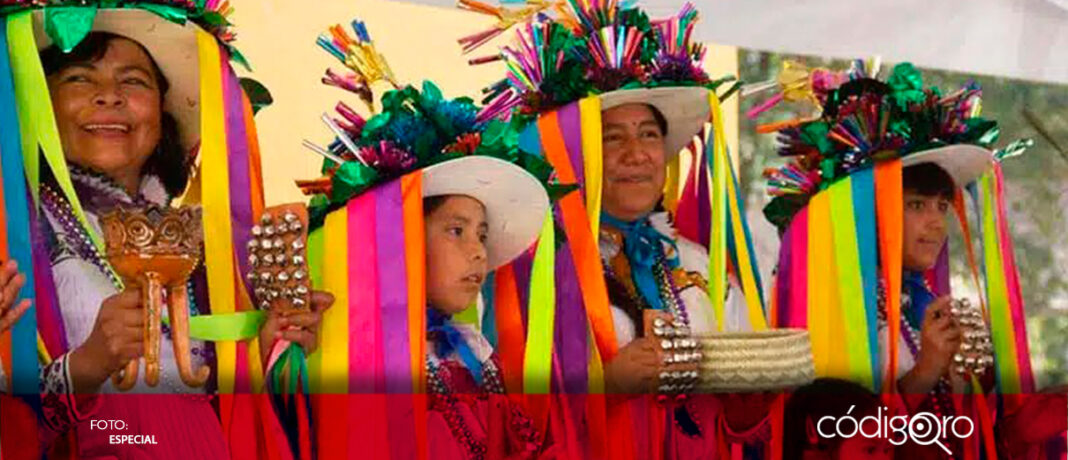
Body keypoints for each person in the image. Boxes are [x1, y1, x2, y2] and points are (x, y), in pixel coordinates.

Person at [2, 4, 331, 458]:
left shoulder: (202, 250)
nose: (109, 96)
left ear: (163, 112)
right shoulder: (13, 236)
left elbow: (209, 405)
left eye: (133, 81)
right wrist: (89, 363)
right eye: (80, 77)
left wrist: (267, 350)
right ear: (38, 103)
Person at [298, 21, 561, 457]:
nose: (478, 250)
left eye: (481, 233)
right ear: (401, 241)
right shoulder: (361, 355)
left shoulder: (471, 351)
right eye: (455, 231)